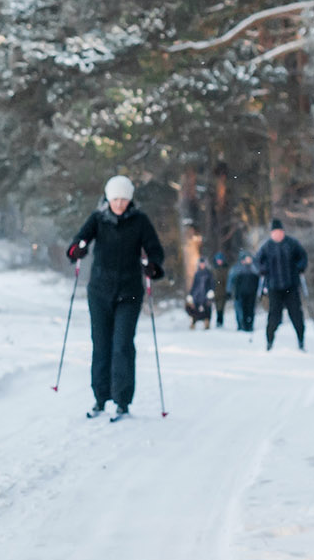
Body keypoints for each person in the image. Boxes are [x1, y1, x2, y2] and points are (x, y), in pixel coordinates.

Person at [64, 175, 166, 420]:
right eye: (115, 199)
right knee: (101, 345)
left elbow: (155, 251)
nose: (119, 204)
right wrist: (77, 250)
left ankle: (122, 400)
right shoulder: (98, 218)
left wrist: (153, 265)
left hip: (129, 292)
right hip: (99, 292)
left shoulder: (139, 221)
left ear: (129, 200)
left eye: (123, 199)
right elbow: (78, 242)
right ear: (108, 199)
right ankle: (100, 398)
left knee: (122, 346)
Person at [254, 218, 310, 351]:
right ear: (272, 233)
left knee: (296, 314)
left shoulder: (292, 244)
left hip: (291, 285)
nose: (278, 234)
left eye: (280, 232)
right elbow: (257, 262)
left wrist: (300, 267)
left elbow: (303, 257)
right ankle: (269, 341)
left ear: (283, 232)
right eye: (275, 232)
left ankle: (301, 340)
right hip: (274, 286)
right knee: (274, 315)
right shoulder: (266, 246)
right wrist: (262, 269)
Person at [228, 251, 261, 332]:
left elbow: (260, 279)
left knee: (250, 310)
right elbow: (231, 280)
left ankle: (249, 326)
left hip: (251, 294)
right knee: (240, 310)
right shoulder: (236, 269)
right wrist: (228, 291)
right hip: (240, 294)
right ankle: (241, 325)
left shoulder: (254, 268)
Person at [186, 254, 216, 329]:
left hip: (206, 294)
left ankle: (207, 322)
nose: (202, 265)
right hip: (197, 295)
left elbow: (212, 283)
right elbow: (194, 285)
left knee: (207, 309)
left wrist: (211, 291)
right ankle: (193, 322)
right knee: (194, 308)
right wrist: (190, 294)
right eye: (201, 263)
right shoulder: (197, 274)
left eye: (203, 263)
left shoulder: (209, 273)